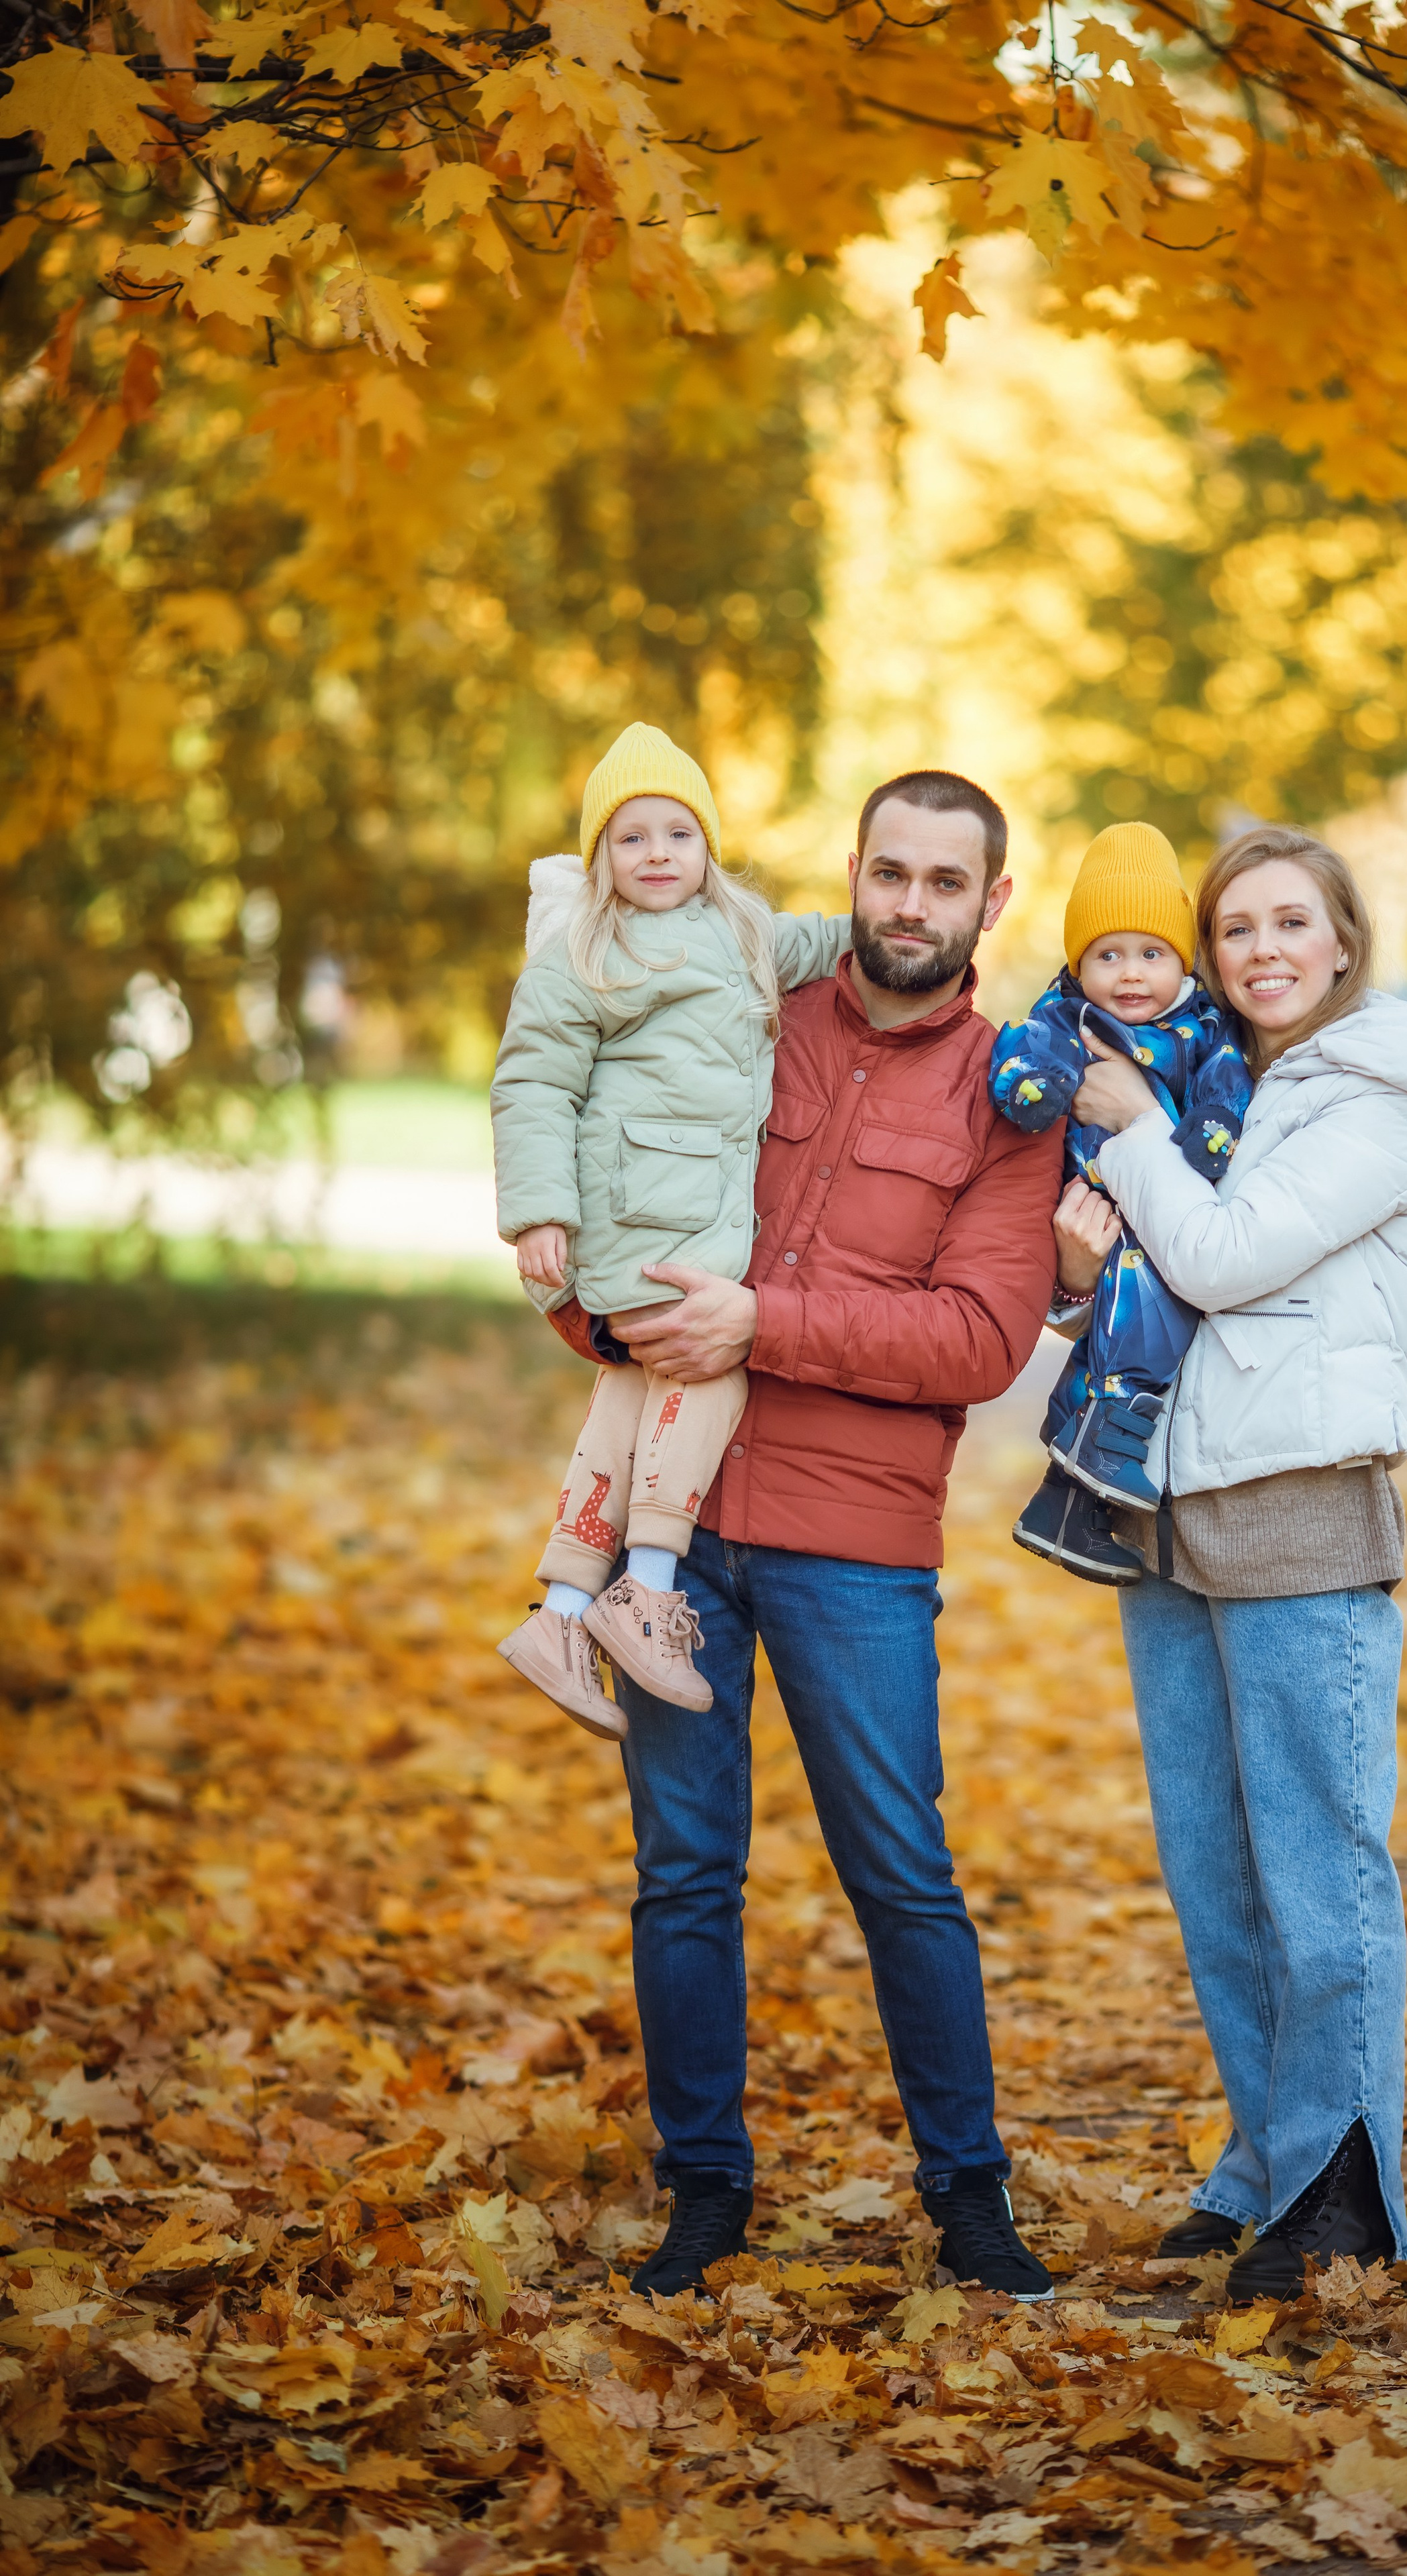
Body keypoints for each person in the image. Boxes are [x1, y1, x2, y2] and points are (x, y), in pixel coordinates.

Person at [545, 769, 1065, 2301]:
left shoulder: (1005, 1096)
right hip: (671, 1526)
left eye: (941, 882)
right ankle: (703, 2190)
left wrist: (760, 1321)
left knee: (900, 1867)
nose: (908, 904)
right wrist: (591, 1295)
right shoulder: (738, 1005)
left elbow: (975, 1335)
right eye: (887, 871)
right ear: (851, 872)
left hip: (855, 1545)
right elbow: (615, 1159)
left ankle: (967, 2196)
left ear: (989, 904)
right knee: (683, 1869)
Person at [1059, 822, 1407, 2301]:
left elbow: (1223, 1258)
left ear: (1342, 940)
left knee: (1315, 1866)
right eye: (1232, 929)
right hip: (1166, 1511)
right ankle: (1265, 2162)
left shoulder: (1375, 1098)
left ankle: (1345, 2188)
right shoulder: (1220, 1088)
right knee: (1216, 1873)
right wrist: (1073, 1260)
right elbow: (1144, 1290)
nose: (1260, 951)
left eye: (1288, 922)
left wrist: (1127, 1133)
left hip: (1299, 1503)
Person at [490, 723, 848, 1726]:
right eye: (631, 837)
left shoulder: (743, 934)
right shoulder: (586, 953)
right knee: (708, 1363)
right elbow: (532, 1084)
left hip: (681, 1211)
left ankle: (563, 1608)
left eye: (678, 834)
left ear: (709, 848)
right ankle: (647, 1587)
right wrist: (538, 1213)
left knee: (632, 1382)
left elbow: (825, 940)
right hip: (634, 1212)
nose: (657, 855)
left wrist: (887, 924)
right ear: (601, 857)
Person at [988, 822, 1250, 1586]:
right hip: (1096, 1208)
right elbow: (1019, 1052)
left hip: (1166, 1206)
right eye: (1107, 955)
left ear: (1182, 961)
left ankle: (1067, 1500)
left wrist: (1210, 1134)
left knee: (1131, 1330)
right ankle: (1099, 1447)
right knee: (1133, 1322)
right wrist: (1028, 1087)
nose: (1130, 975)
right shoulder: (1067, 1016)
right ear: (1078, 963)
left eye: (1151, 954)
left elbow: (1226, 1087)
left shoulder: (1206, 1027)